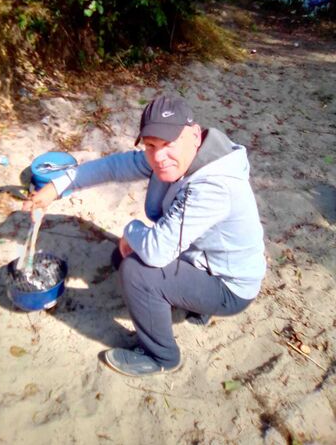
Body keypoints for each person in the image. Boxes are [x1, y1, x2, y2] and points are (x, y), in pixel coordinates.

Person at [23, 95, 266, 377]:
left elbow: (156, 252)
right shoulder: (181, 158)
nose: (159, 157)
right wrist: (55, 188)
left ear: (195, 135)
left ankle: (161, 356)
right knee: (122, 256)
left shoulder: (213, 186)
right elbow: (112, 167)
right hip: (202, 260)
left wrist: (131, 230)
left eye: (168, 144)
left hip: (229, 287)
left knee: (137, 271)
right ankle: (190, 302)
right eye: (151, 145)